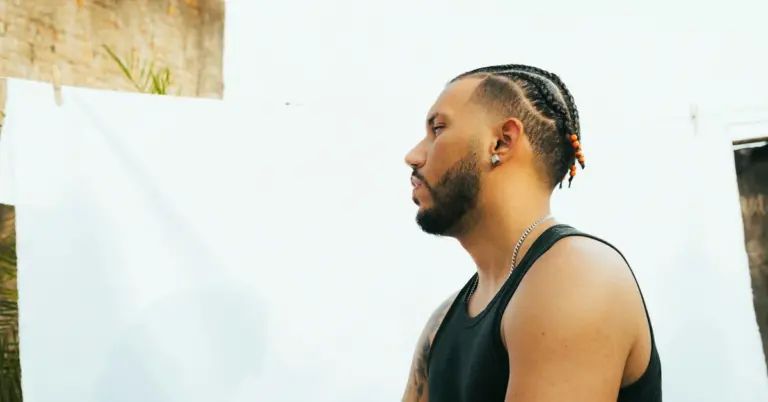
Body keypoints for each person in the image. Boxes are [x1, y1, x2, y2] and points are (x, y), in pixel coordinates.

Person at [401, 64, 662, 402]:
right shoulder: (442, 322)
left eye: (438, 128)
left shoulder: (577, 277)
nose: (413, 156)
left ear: (501, 141)